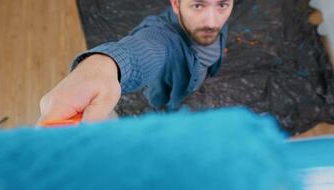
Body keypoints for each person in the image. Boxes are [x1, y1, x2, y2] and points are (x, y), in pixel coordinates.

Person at [38, 0, 234, 123]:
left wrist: (217, 54)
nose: (212, 22)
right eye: (198, 5)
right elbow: (145, 48)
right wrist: (107, 64)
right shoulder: (162, 35)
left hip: (197, 76)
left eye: (222, 4)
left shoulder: (217, 25)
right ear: (176, 4)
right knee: (166, 105)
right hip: (168, 91)